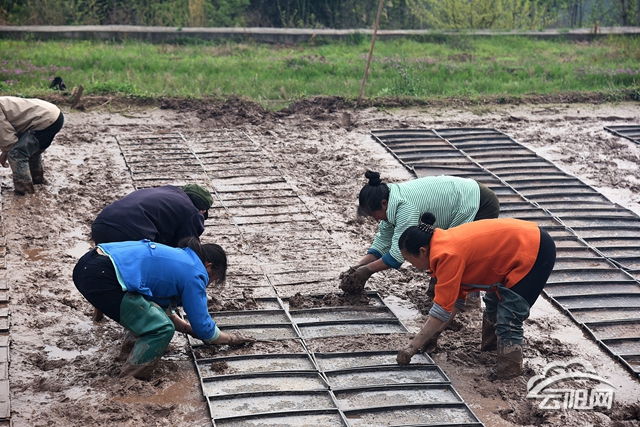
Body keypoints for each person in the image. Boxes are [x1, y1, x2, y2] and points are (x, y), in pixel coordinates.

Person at [395, 212, 556, 379]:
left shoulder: (447, 255)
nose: (412, 266)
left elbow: (441, 310)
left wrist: (412, 347)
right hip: (514, 250)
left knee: (509, 315)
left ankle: (509, 373)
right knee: (493, 304)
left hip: (535, 250)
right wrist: (435, 333)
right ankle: (491, 351)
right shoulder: (441, 244)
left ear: (422, 251)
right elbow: (454, 302)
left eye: (410, 260)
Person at [73, 237, 255, 380]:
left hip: (87, 264)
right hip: (101, 276)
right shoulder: (195, 273)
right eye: (212, 280)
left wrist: (186, 328)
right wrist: (230, 339)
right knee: (161, 328)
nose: (207, 284)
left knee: (148, 314)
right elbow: (203, 328)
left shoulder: (180, 257)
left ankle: (128, 354)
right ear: (208, 266)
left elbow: (159, 309)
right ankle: (130, 381)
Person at [340, 171, 500, 304]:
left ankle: (469, 300)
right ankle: (437, 293)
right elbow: (383, 241)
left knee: (461, 253)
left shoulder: (404, 207)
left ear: (383, 204)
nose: (375, 220)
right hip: (462, 199)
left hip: (478, 203)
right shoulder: (390, 201)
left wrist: (366, 271)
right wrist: (358, 267)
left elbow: (397, 255)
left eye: (374, 215)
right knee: (443, 253)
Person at [91, 184, 214, 247]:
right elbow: (188, 248)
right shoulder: (192, 211)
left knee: (109, 270)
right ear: (202, 211)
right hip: (129, 234)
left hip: (100, 223)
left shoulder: (166, 192)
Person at [0, 96, 64, 194]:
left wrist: (6, 151)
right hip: (53, 115)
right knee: (30, 151)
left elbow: (5, 134)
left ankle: (25, 191)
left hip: (45, 119)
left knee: (17, 154)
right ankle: (37, 180)